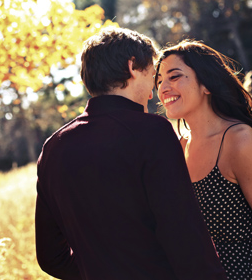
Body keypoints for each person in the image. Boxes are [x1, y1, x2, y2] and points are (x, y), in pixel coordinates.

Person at [35, 27, 227, 280]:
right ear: (132, 66)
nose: (153, 90)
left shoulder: (53, 148)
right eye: (152, 73)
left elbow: (51, 258)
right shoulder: (152, 132)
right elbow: (184, 237)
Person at [155, 39, 252, 280]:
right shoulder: (179, 147)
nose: (163, 88)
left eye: (174, 77)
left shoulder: (239, 141)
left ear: (206, 84)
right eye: (159, 81)